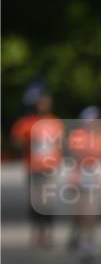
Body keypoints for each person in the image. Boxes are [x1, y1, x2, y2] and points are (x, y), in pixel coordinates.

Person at [10, 93, 63, 248]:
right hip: (33, 167)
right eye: (41, 103)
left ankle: (48, 234)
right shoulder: (27, 123)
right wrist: (29, 141)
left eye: (47, 103)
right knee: (34, 202)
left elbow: (61, 143)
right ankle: (37, 233)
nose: (44, 106)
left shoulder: (56, 122)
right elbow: (16, 142)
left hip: (49, 169)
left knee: (48, 201)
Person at [64, 106, 101, 264]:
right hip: (79, 176)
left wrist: (100, 174)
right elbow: (77, 156)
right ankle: (75, 233)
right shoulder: (78, 136)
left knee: (91, 213)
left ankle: (87, 244)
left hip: (93, 177)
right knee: (79, 213)